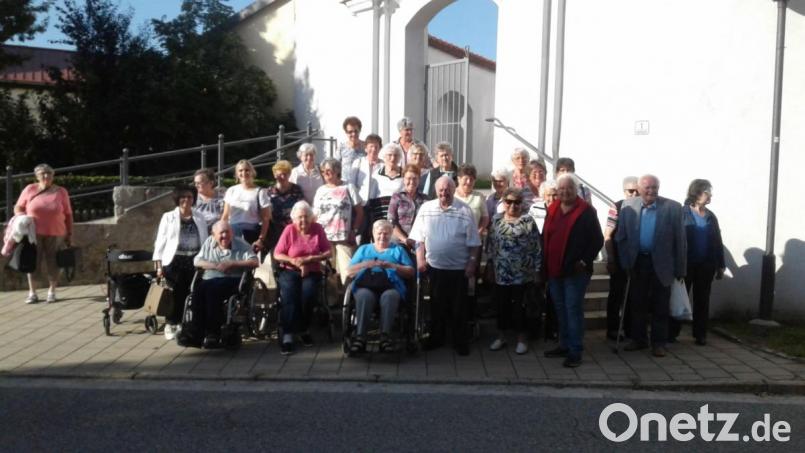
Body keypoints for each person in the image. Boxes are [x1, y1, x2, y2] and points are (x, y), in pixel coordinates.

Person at [409, 176, 482, 356]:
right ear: (436, 191)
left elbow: (474, 242)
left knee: (459, 308)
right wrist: (420, 260)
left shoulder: (464, 210)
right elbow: (418, 239)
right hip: (434, 267)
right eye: (441, 190)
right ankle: (436, 339)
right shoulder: (426, 209)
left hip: (459, 268)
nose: (444, 193)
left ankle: (460, 342)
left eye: (448, 190)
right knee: (436, 306)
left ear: (454, 190)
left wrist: (472, 263)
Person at [615, 174, 686, 358]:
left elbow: (680, 240)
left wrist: (681, 268)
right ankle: (639, 339)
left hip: (663, 263)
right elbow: (621, 237)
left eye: (655, 187)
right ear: (639, 189)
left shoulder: (672, 208)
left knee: (660, 305)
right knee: (637, 303)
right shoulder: (628, 206)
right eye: (647, 188)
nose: (651, 191)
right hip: (638, 262)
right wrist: (625, 262)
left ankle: (658, 343)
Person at [542, 174, 603, 368]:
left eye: (569, 188)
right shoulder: (552, 208)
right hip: (554, 269)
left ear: (576, 190)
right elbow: (546, 236)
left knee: (572, 309)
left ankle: (575, 351)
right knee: (560, 310)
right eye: (561, 188)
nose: (565, 192)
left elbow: (597, 240)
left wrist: (584, 261)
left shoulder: (586, 211)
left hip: (575, 271)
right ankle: (564, 345)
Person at [669, 179, 726, 346]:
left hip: (706, 265)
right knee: (679, 298)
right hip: (685, 265)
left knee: (702, 300)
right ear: (698, 193)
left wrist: (721, 265)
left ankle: (700, 334)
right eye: (708, 192)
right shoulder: (682, 213)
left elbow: (717, 241)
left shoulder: (710, 216)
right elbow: (673, 239)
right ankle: (672, 332)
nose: (710, 196)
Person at [346, 219, 415, 353]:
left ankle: (385, 337)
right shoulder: (364, 249)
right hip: (366, 285)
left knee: (390, 296)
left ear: (391, 235)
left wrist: (392, 265)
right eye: (379, 233)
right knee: (364, 296)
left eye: (386, 233)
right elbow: (349, 271)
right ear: (373, 233)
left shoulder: (398, 250)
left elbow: (410, 272)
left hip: (391, 286)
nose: (382, 236)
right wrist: (367, 264)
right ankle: (360, 337)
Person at [273, 201, 332, 355]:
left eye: (306, 217)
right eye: (299, 217)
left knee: (308, 295)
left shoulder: (317, 228)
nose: (303, 220)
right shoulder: (289, 230)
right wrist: (293, 261)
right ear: (294, 218)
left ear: (311, 217)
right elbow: (277, 254)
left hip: (312, 270)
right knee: (290, 296)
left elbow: (328, 252)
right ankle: (288, 334)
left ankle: (303, 328)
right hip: (290, 270)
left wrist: (310, 259)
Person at [487, 189, 542, 355]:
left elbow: (536, 247)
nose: (513, 205)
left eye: (517, 202)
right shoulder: (496, 220)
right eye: (509, 202)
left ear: (522, 203)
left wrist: (537, 271)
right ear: (503, 202)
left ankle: (522, 339)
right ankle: (501, 337)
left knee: (520, 307)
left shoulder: (528, 221)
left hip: (522, 274)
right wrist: (489, 266)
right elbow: (491, 245)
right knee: (501, 306)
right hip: (501, 273)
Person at [190, 221, 259, 349]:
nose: (225, 235)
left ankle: (213, 332)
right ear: (213, 235)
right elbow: (197, 261)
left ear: (232, 233)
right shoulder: (208, 242)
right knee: (198, 291)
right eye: (221, 233)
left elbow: (255, 262)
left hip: (232, 279)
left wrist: (233, 263)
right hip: (210, 278)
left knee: (212, 290)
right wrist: (214, 266)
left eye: (227, 232)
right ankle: (196, 333)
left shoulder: (241, 244)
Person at [153, 186, 209, 340]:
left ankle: (186, 323)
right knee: (175, 294)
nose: (186, 200)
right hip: (174, 261)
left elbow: (205, 240)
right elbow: (160, 242)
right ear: (177, 199)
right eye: (183, 197)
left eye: (190, 197)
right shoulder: (168, 217)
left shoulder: (199, 217)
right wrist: (158, 266)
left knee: (192, 293)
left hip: (194, 261)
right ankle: (171, 323)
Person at [14, 163, 73, 304]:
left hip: (56, 232)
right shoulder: (30, 189)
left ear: (53, 175)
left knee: (54, 262)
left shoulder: (61, 191)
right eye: (42, 173)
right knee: (32, 261)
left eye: (49, 173)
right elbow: (18, 206)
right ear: (37, 176)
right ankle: (32, 293)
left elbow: (68, 214)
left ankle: (52, 291)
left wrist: (70, 233)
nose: (46, 176)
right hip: (33, 233)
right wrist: (21, 216)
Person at [313, 158, 365, 285]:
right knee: (328, 274)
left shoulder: (348, 187)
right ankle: (332, 297)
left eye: (328, 170)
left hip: (344, 237)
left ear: (337, 171)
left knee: (348, 272)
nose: (325, 174)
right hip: (324, 237)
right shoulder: (320, 190)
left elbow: (360, 212)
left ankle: (347, 296)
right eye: (323, 171)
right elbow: (315, 214)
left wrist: (354, 231)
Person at [603, 176, 639, 341]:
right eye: (631, 191)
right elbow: (608, 234)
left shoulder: (644, 207)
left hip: (637, 259)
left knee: (634, 295)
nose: (634, 194)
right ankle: (612, 329)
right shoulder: (616, 207)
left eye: (637, 191)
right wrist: (611, 258)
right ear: (624, 191)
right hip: (618, 258)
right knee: (616, 295)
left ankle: (631, 329)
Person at [221, 159, 270, 250]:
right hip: (232, 232)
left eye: (247, 170)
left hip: (251, 233)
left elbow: (266, 218)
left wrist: (261, 239)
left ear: (252, 172)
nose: (244, 173)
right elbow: (225, 215)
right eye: (240, 170)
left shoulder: (260, 192)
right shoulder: (231, 190)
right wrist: (220, 233)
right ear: (236, 174)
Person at [265, 160, 306, 250]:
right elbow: (266, 211)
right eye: (280, 174)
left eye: (285, 174)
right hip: (275, 228)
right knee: (276, 253)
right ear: (275, 175)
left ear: (289, 174)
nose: (283, 177)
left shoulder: (296, 189)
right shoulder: (269, 191)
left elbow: (302, 207)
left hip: (293, 227)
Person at [387, 164, 427, 250]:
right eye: (408, 178)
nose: (411, 182)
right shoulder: (397, 197)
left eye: (415, 179)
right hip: (398, 242)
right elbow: (391, 221)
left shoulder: (425, 199)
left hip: (419, 243)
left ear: (419, 180)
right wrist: (405, 240)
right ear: (404, 179)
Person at [350, 133, 383, 204]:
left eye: (376, 147)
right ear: (366, 148)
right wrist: (356, 204)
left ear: (380, 149)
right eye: (371, 146)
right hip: (361, 203)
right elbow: (352, 185)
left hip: (378, 204)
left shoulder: (383, 165)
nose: (374, 149)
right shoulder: (358, 162)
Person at [192, 168, 225, 233]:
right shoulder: (192, 198)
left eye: (199, 183)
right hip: (198, 232)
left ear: (211, 183)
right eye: (195, 183)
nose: (196, 185)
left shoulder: (222, 197)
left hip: (219, 232)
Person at [333, 116, 365, 183]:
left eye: (356, 131)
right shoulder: (341, 148)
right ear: (346, 132)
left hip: (362, 184)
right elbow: (335, 166)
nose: (353, 134)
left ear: (360, 130)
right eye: (350, 132)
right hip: (345, 184)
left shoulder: (366, 147)